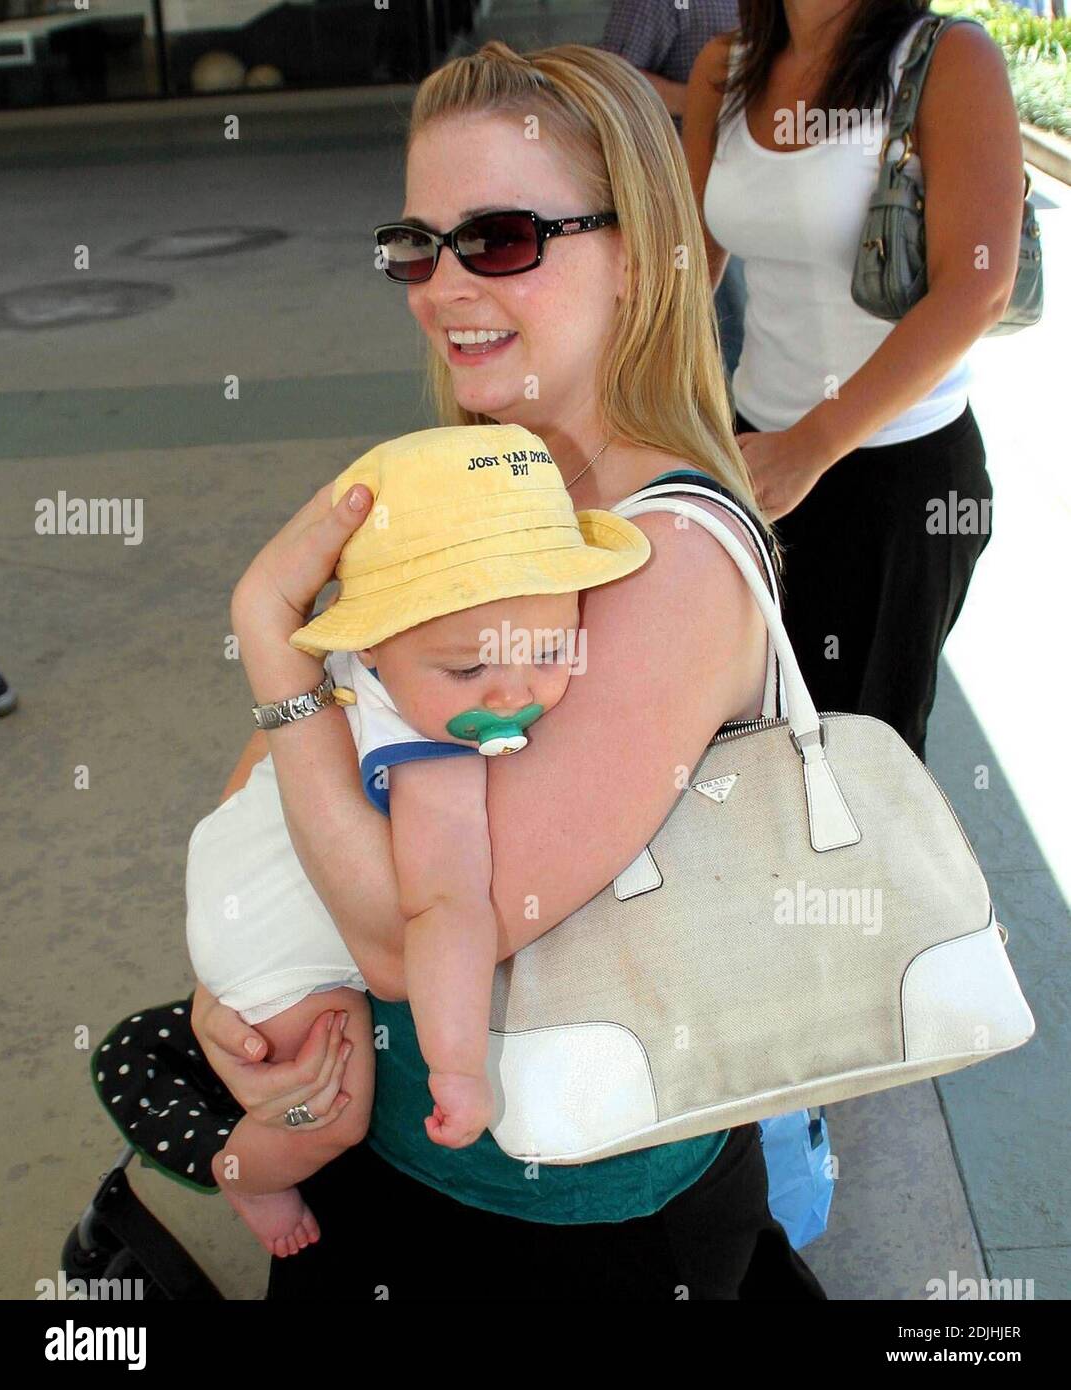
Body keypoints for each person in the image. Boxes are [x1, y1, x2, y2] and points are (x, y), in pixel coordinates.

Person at [191, 38, 826, 1300]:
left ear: (638, 256)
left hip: (566, 1219)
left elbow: (401, 934)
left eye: (499, 239)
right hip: (399, 1152)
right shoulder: (472, 478)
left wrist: (273, 629)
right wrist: (243, 969)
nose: (438, 285)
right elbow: (305, 754)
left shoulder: (673, 557)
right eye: (415, 244)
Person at [186, 422, 650, 1258]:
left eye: (549, 649)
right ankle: (245, 1175)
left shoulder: (390, 666)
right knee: (329, 1107)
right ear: (370, 645)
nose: (514, 694)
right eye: (470, 673)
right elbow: (442, 907)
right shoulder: (429, 755)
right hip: (268, 942)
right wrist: (458, 1066)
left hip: (239, 854)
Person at [684, 0, 1022, 760]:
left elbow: (978, 285)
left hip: (897, 473)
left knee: (864, 761)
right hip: (754, 453)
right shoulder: (725, 69)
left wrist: (813, 444)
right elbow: (693, 261)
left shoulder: (946, 58)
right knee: (749, 741)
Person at [601, 0, 747, 378]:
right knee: (715, 328)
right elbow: (612, 75)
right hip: (683, 187)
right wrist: (699, 99)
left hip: (763, 182)